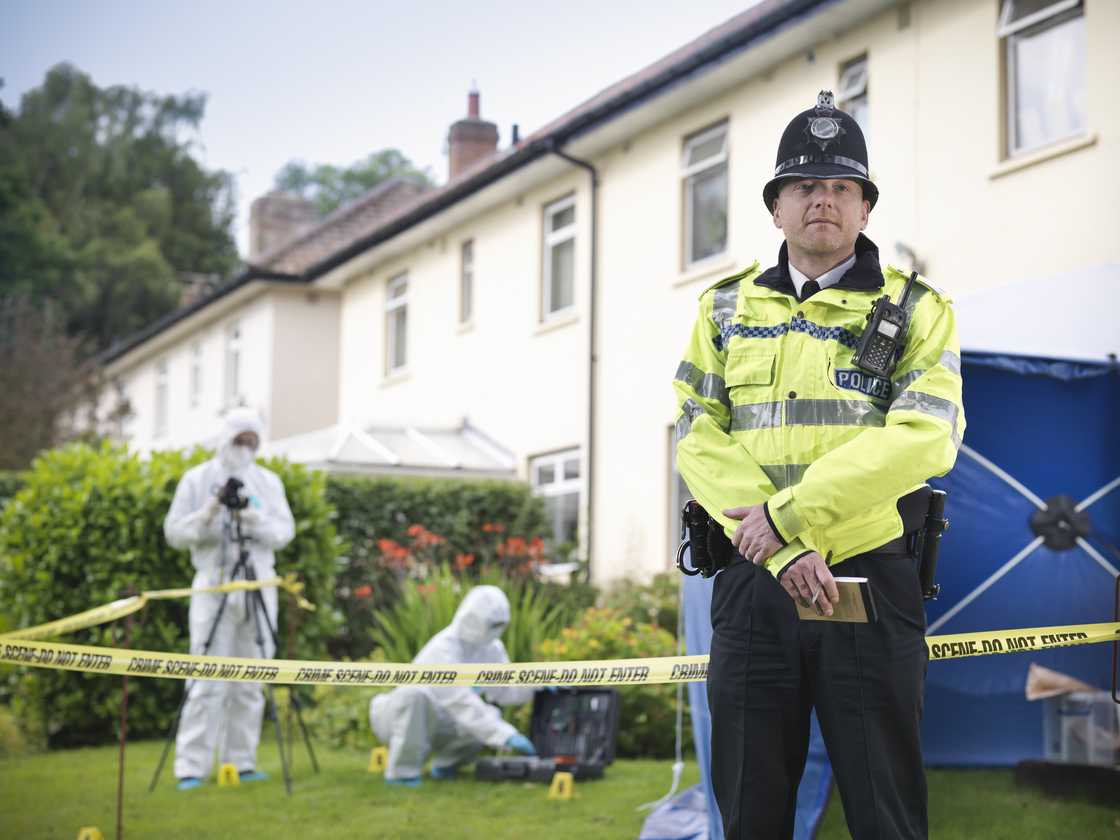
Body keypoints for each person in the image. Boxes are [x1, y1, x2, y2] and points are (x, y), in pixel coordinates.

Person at [673, 91, 964, 839]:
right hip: (755, 584)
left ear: (866, 209)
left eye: (841, 187)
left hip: (866, 580)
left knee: (884, 807)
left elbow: (925, 439)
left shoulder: (917, 310)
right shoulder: (723, 308)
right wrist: (783, 549)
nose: (822, 201)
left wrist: (787, 518)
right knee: (749, 806)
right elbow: (696, 433)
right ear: (776, 208)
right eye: (805, 186)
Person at [164, 407, 295, 791]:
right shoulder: (197, 479)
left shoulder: (267, 482)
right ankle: (191, 766)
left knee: (252, 676)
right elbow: (174, 532)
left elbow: (285, 532)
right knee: (206, 675)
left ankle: (241, 760)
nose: (246, 448)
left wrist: (255, 519)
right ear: (226, 438)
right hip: (214, 583)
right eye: (240, 440)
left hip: (257, 583)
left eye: (252, 442)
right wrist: (207, 514)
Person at [369, 585, 537, 785]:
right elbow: (460, 702)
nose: (496, 630)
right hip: (398, 720)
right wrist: (506, 735)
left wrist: (536, 686)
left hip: (439, 724)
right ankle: (402, 773)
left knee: (484, 720)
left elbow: (504, 690)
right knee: (415, 696)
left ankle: (446, 764)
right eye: (492, 624)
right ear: (473, 618)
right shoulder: (443, 649)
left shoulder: (492, 648)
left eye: (500, 624)